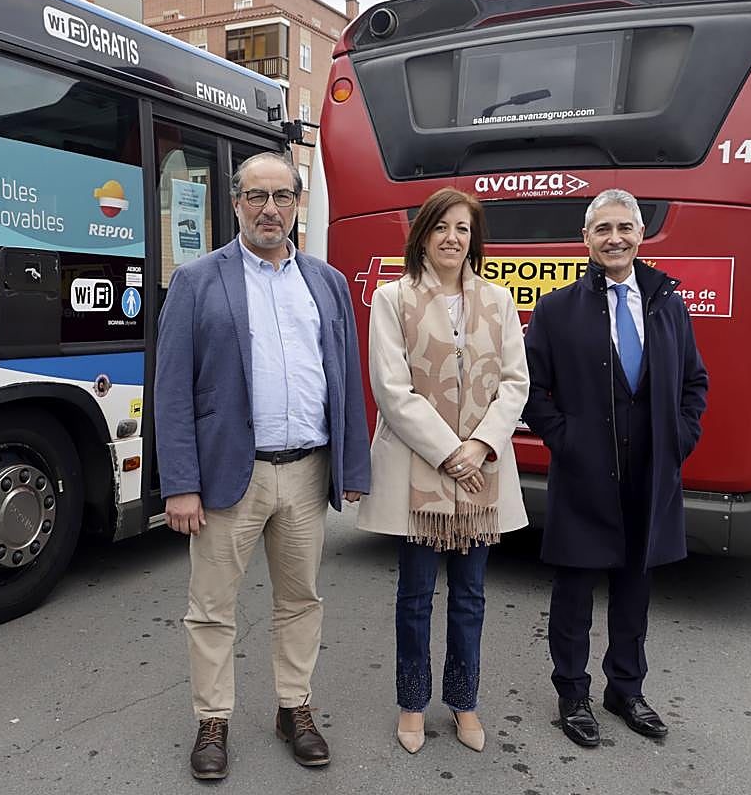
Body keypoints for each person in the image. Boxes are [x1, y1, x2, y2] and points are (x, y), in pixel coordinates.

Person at [154, 151, 371, 780]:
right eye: (256, 196)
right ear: (236, 203)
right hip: (229, 475)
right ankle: (212, 719)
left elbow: (344, 378)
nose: (269, 209)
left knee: (300, 600)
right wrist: (181, 485)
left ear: (298, 203)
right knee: (211, 607)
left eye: (281, 196)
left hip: (306, 472)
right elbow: (172, 389)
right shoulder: (197, 281)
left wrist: (352, 466)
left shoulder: (326, 282)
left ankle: (293, 708)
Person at [522, 188, 708, 747]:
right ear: (585, 239)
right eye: (602, 229)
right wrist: (567, 441)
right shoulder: (557, 309)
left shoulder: (667, 304)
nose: (615, 238)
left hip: (650, 474)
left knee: (634, 590)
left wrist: (679, 438)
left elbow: (694, 381)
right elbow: (531, 389)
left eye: (624, 227)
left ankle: (626, 689)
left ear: (640, 235)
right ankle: (572, 693)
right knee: (574, 592)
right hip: (584, 475)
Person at [355, 187, 529, 754]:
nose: (452, 238)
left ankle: (463, 701)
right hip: (420, 472)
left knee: (471, 596)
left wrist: (479, 446)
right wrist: (449, 453)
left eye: (463, 228)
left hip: (482, 473)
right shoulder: (393, 298)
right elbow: (392, 388)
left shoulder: (499, 300)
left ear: (474, 239)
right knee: (415, 596)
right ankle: (412, 704)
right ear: (422, 236)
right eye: (441, 227)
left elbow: (515, 382)